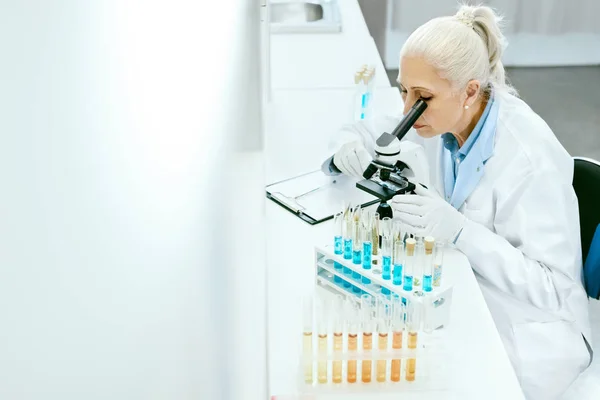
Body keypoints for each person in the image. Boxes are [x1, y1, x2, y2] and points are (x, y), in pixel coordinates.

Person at [323, 4, 593, 399]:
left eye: (421, 97)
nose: (407, 110)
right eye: (403, 91)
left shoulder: (528, 158)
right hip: (464, 292)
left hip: (528, 339)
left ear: (469, 90)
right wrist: (343, 148)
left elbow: (554, 288)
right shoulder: (436, 117)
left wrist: (462, 231)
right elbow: (362, 129)